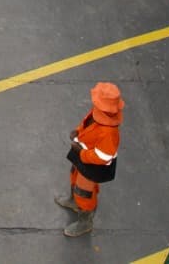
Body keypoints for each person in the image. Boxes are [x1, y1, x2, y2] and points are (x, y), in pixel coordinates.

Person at [56, 82, 123, 238]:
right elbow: (86, 123)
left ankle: (86, 221)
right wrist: (78, 131)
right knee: (73, 176)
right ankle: (73, 202)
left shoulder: (109, 133)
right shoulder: (98, 113)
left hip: (92, 165)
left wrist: (81, 153)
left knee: (84, 192)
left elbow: (104, 158)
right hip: (82, 155)